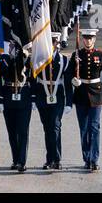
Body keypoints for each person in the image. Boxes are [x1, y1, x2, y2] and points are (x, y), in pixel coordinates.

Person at [70, 27, 102, 172]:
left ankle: (94, 159)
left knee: (94, 127)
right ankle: (87, 158)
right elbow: (68, 75)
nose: (88, 41)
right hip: (81, 95)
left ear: (94, 39)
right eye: (85, 38)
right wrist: (73, 80)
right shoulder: (76, 55)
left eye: (90, 38)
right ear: (82, 40)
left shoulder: (101, 55)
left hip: (96, 95)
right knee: (84, 129)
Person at [32, 32, 69, 171]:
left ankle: (56, 159)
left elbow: (68, 84)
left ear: (57, 44)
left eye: (54, 43)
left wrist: (69, 102)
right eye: (50, 43)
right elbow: (34, 80)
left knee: (55, 126)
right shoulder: (39, 59)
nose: (52, 45)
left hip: (57, 96)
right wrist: (33, 99)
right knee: (47, 128)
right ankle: (49, 159)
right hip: (43, 96)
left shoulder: (64, 60)